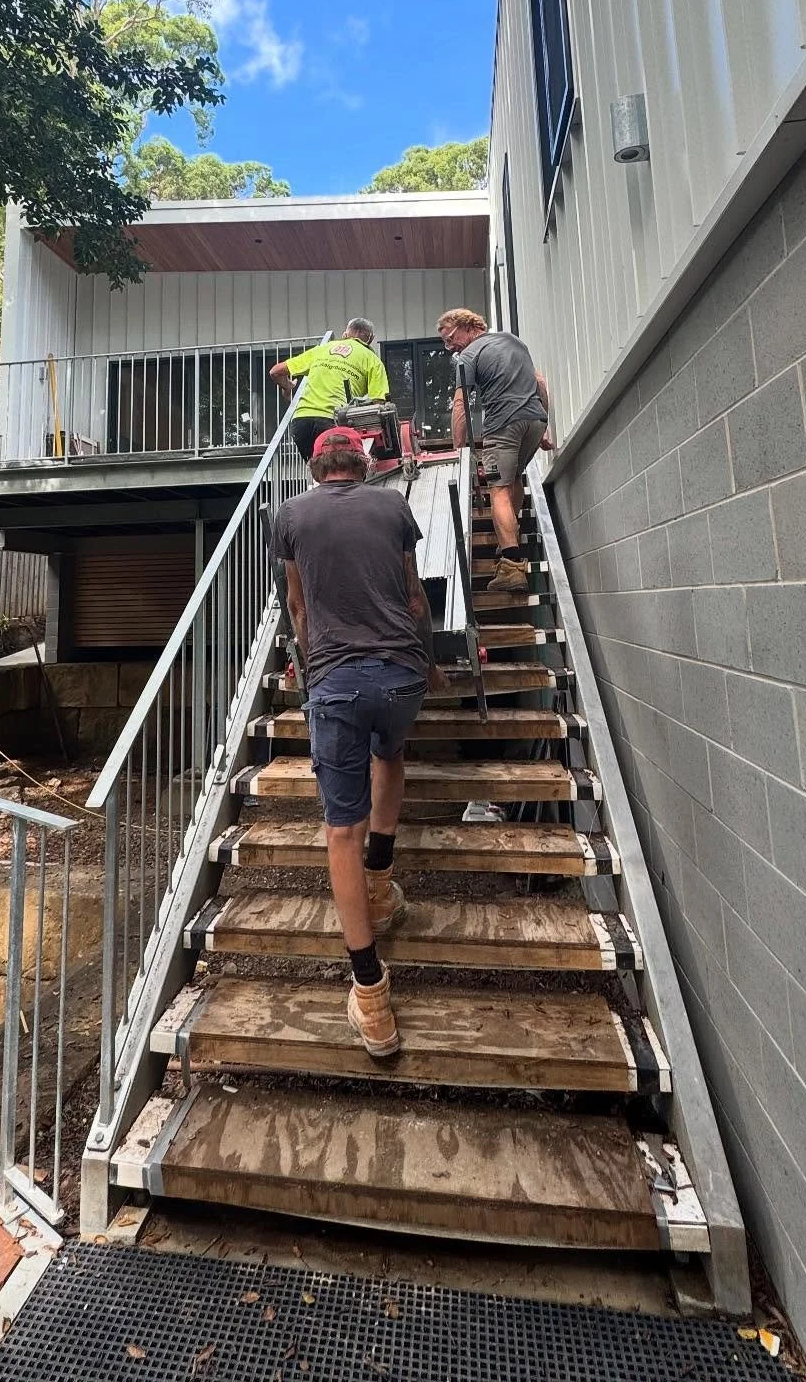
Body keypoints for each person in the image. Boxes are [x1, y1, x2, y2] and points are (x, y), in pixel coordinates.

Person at [271, 426, 443, 1059]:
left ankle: (370, 996)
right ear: (363, 465)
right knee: (391, 755)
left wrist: (308, 668)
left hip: (337, 682)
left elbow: (298, 607)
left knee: (340, 829)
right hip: (400, 673)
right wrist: (426, 662)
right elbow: (414, 595)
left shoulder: (289, 517)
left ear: (316, 467)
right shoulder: (393, 505)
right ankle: (380, 879)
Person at [438, 308, 552, 590]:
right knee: (512, 480)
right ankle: (507, 548)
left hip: (504, 425)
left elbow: (461, 404)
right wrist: (544, 425)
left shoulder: (468, 356)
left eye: (450, 338)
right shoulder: (513, 341)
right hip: (534, 421)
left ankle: (512, 568)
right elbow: (540, 382)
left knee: (498, 489)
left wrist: (458, 448)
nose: (448, 346)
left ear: (468, 327)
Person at [270, 320, 389, 459]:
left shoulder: (322, 349)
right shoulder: (372, 360)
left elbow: (275, 372)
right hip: (333, 422)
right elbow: (379, 403)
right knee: (337, 471)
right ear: (371, 339)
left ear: (345, 333)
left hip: (301, 422)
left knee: (317, 470)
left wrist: (288, 387)